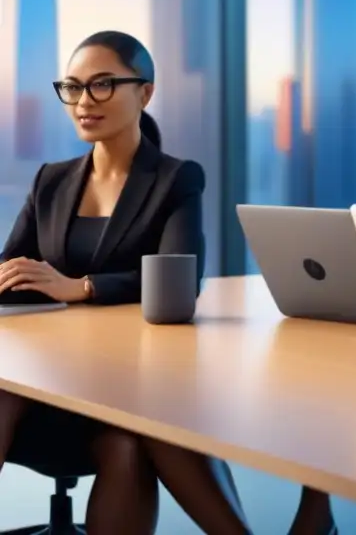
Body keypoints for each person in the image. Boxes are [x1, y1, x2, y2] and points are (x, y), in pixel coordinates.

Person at [0, 31, 335, 534]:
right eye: (72, 87)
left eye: (103, 85)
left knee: (132, 436)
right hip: (51, 385)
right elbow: (12, 270)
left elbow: (181, 276)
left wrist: (83, 286)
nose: (84, 102)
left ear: (145, 92)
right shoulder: (50, 180)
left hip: (133, 381)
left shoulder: (175, 179)